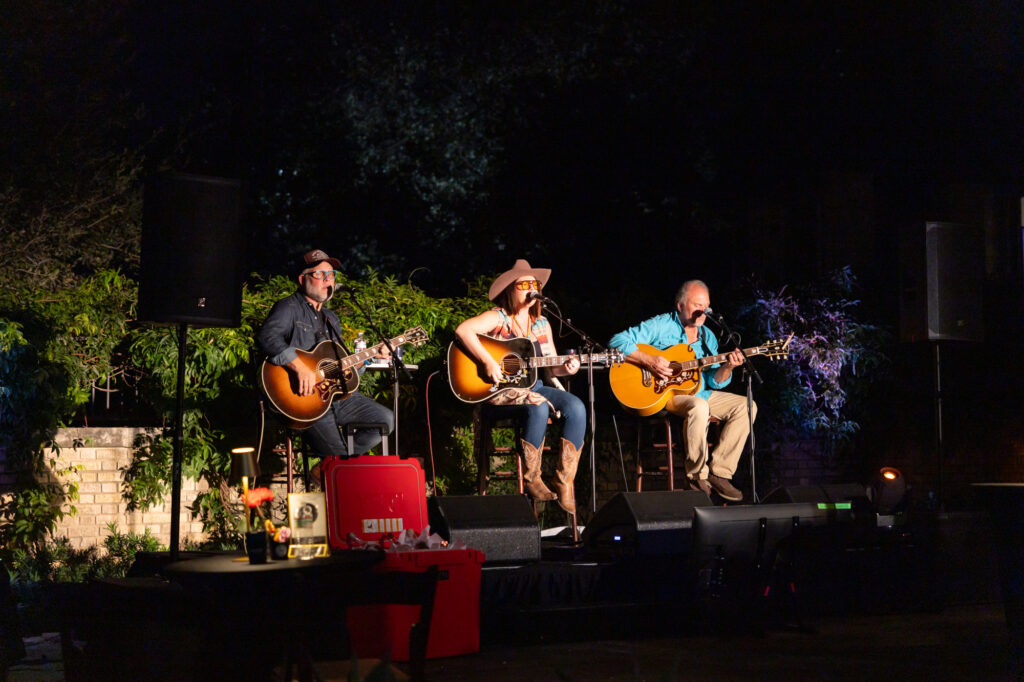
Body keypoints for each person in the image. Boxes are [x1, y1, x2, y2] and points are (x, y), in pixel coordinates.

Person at [455, 259, 586, 513]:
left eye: (534, 285)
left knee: (577, 407)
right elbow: (463, 330)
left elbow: (551, 367)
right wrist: (488, 361)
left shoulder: (542, 323)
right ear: (510, 290)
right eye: (523, 285)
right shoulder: (498, 317)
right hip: (500, 392)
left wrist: (567, 368)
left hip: (534, 387)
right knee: (538, 405)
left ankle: (564, 481)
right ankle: (532, 478)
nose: (530, 289)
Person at [608, 279, 755, 501]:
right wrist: (649, 360)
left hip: (701, 391)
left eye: (706, 306)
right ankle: (696, 476)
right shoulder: (661, 325)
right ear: (680, 305)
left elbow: (714, 381)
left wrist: (728, 367)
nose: (702, 311)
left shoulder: (708, 337)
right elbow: (617, 341)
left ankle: (720, 473)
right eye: (697, 305)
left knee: (747, 406)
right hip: (668, 394)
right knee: (699, 406)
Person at [257, 248, 394, 458]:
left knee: (385, 420)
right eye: (320, 274)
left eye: (331, 274)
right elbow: (267, 337)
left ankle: (332, 466)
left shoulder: (332, 319)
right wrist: (299, 367)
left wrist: (372, 356)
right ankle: (339, 464)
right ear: (302, 279)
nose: (327, 279)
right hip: (305, 398)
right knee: (341, 459)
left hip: (336, 397)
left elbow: (341, 366)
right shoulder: (289, 307)